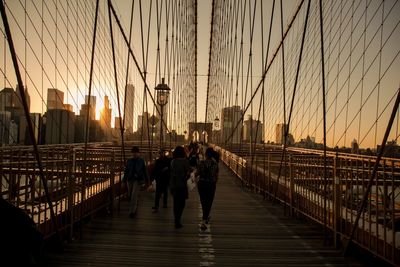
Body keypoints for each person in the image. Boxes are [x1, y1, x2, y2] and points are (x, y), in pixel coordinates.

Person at [197, 147, 219, 230]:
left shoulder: (201, 163)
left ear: (205, 154)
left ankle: (204, 219)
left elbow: (197, 173)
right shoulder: (215, 164)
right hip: (211, 184)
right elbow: (216, 176)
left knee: (203, 201)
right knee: (209, 202)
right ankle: (204, 219)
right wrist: (214, 182)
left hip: (202, 184)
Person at [123, 146, 149, 218]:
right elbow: (126, 171)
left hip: (138, 180)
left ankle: (132, 211)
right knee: (131, 194)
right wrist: (124, 181)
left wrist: (147, 181)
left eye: (136, 152)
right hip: (130, 179)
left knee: (134, 195)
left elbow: (144, 171)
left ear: (138, 153)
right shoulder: (129, 161)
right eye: (133, 152)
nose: (134, 154)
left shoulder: (141, 161)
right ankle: (134, 206)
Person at [170, 146, 191, 229]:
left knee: (175, 203)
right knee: (182, 203)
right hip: (182, 185)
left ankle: (176, 220)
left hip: (174, 185)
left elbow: (171, 172)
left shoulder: (173, 162)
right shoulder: (185, 162)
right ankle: (178, 220)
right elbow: (188, 173)